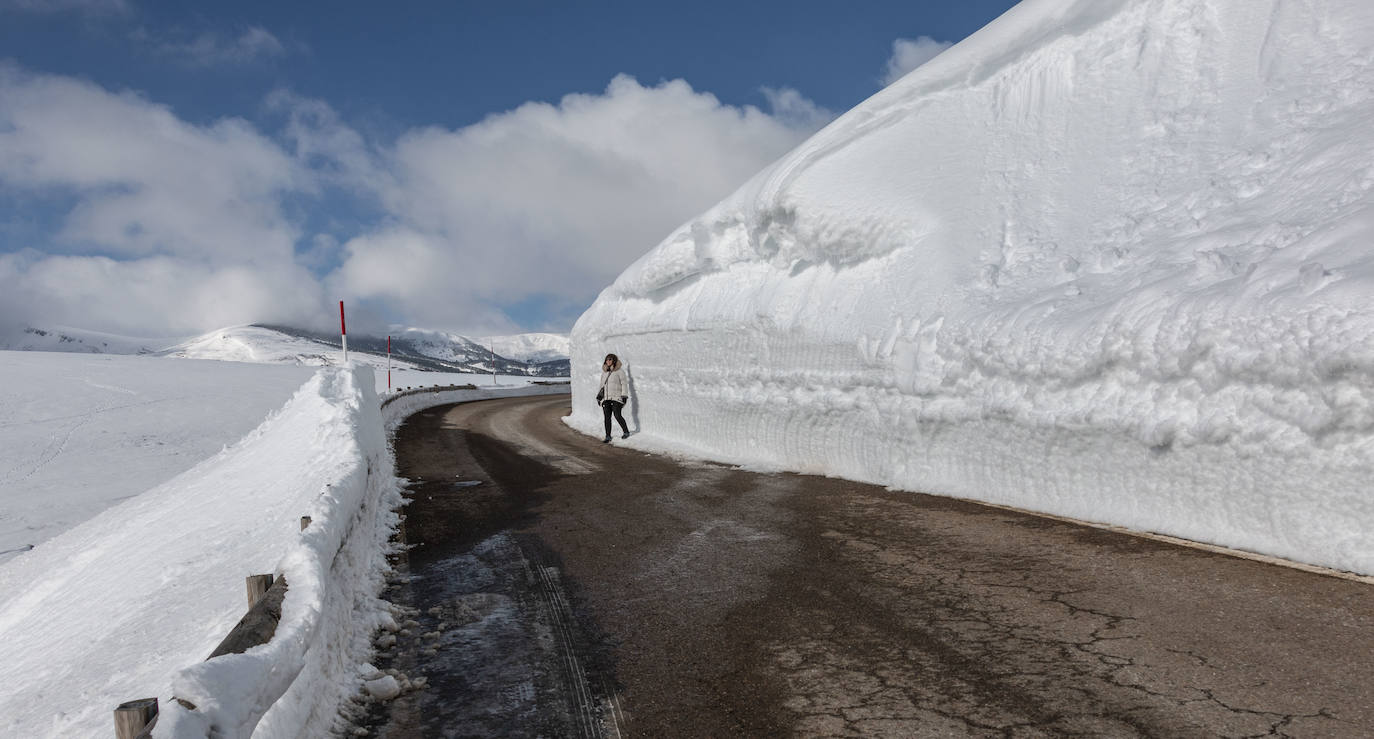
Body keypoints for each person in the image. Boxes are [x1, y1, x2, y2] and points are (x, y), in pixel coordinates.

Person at [597, 353, 630, 442]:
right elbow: (601, 386)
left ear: (614, 360)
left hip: (617, 398)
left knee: (617, 415)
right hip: (606, 398)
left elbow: (624, 384)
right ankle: (608, 436)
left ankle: (626, 431)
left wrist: (624, 396)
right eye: (607, 359)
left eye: (610, 359)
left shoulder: (619, 371)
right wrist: (599, 397)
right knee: (607, 418)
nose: (608, 361)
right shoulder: (604, 373)